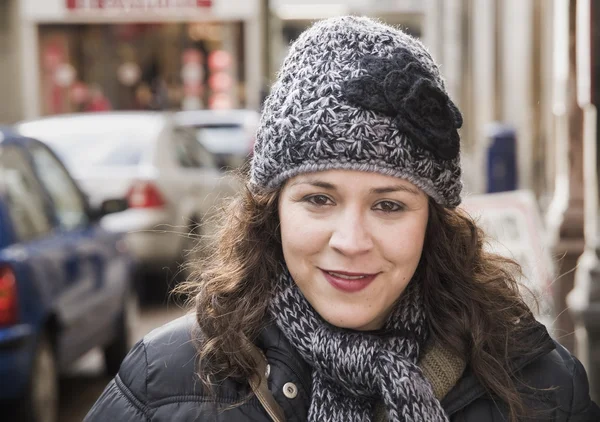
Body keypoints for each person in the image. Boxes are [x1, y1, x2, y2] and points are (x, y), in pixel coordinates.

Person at [85, 16, 600, 422]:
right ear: (273, 211)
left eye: (389, 205)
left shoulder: (541, 389)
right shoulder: (165, 384)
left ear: (434, 221)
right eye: (319, 199)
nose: (351, 241)